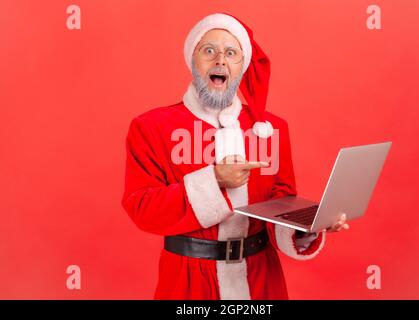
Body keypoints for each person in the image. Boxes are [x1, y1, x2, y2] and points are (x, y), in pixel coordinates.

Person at [121, 13, 349, 300]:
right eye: (209, 51)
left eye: (231, 53)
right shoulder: (152, 127)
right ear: (193, 60)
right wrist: (215, 180)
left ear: (242, 66)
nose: (220, 60)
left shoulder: (272, 128)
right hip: (188, 282)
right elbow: (142, 208)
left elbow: (281, 201)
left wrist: (307, 226)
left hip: (261, 280)